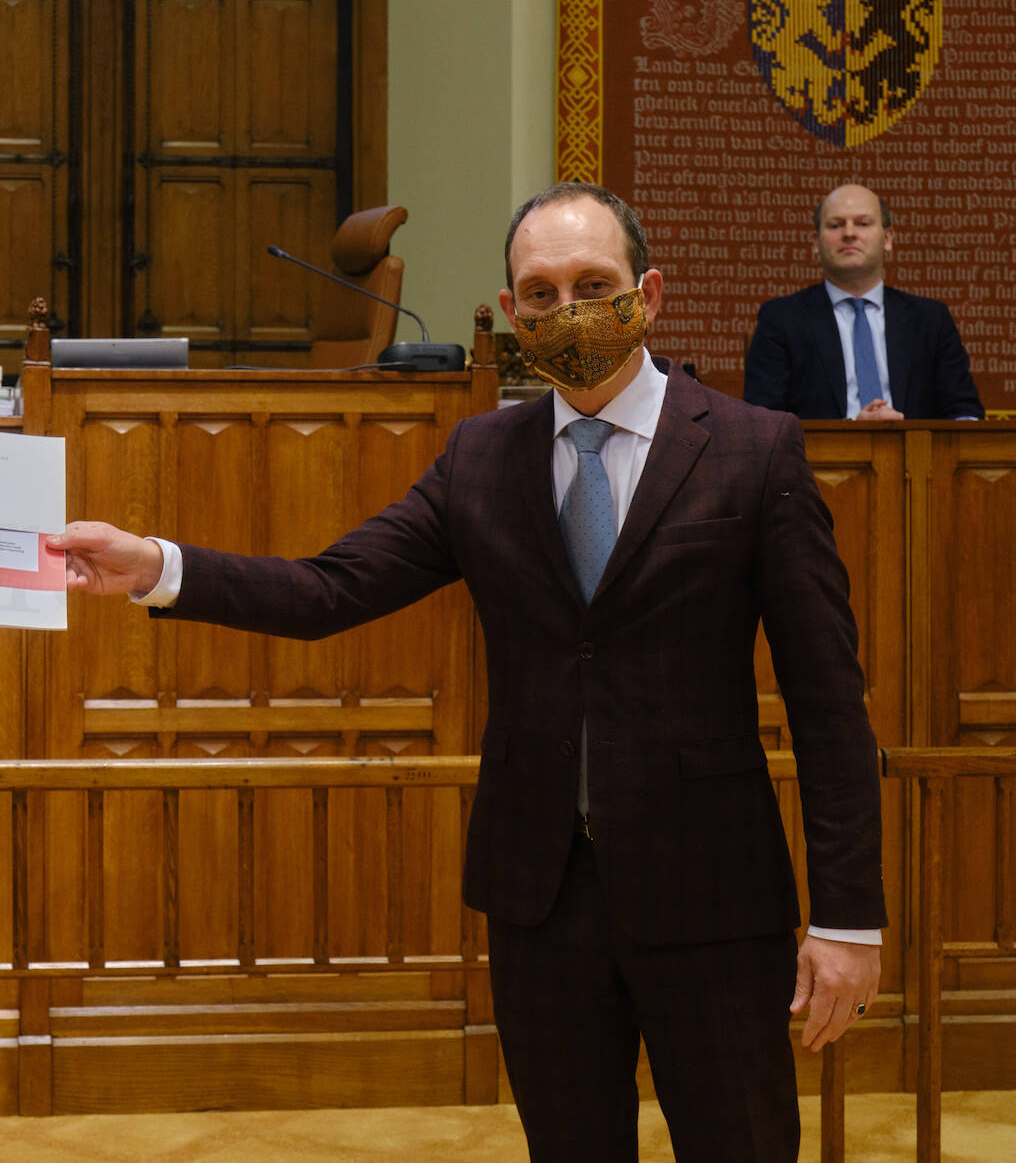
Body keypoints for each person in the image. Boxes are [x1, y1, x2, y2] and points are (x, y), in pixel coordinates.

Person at [51, 182, 886, 1162]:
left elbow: (830, 701)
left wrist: (848, 918)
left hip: (713, 899)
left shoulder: (752, 451)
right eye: (538, 292)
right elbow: (331, 589)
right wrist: (158, 565)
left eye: (592, 283)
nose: (565, 308)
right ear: (513, 313)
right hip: (540, 904)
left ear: (648, 294)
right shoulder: (481, 457)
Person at [744, 183, 983, 420]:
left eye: (863, 223)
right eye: (836, 225)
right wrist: (851, 433)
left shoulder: (931, 319)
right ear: (816, 242)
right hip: (818, 458)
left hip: (918, 454)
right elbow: (763, 424)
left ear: (888, 238)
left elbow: (965, 413)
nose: (849, 233)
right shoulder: (782, 319)